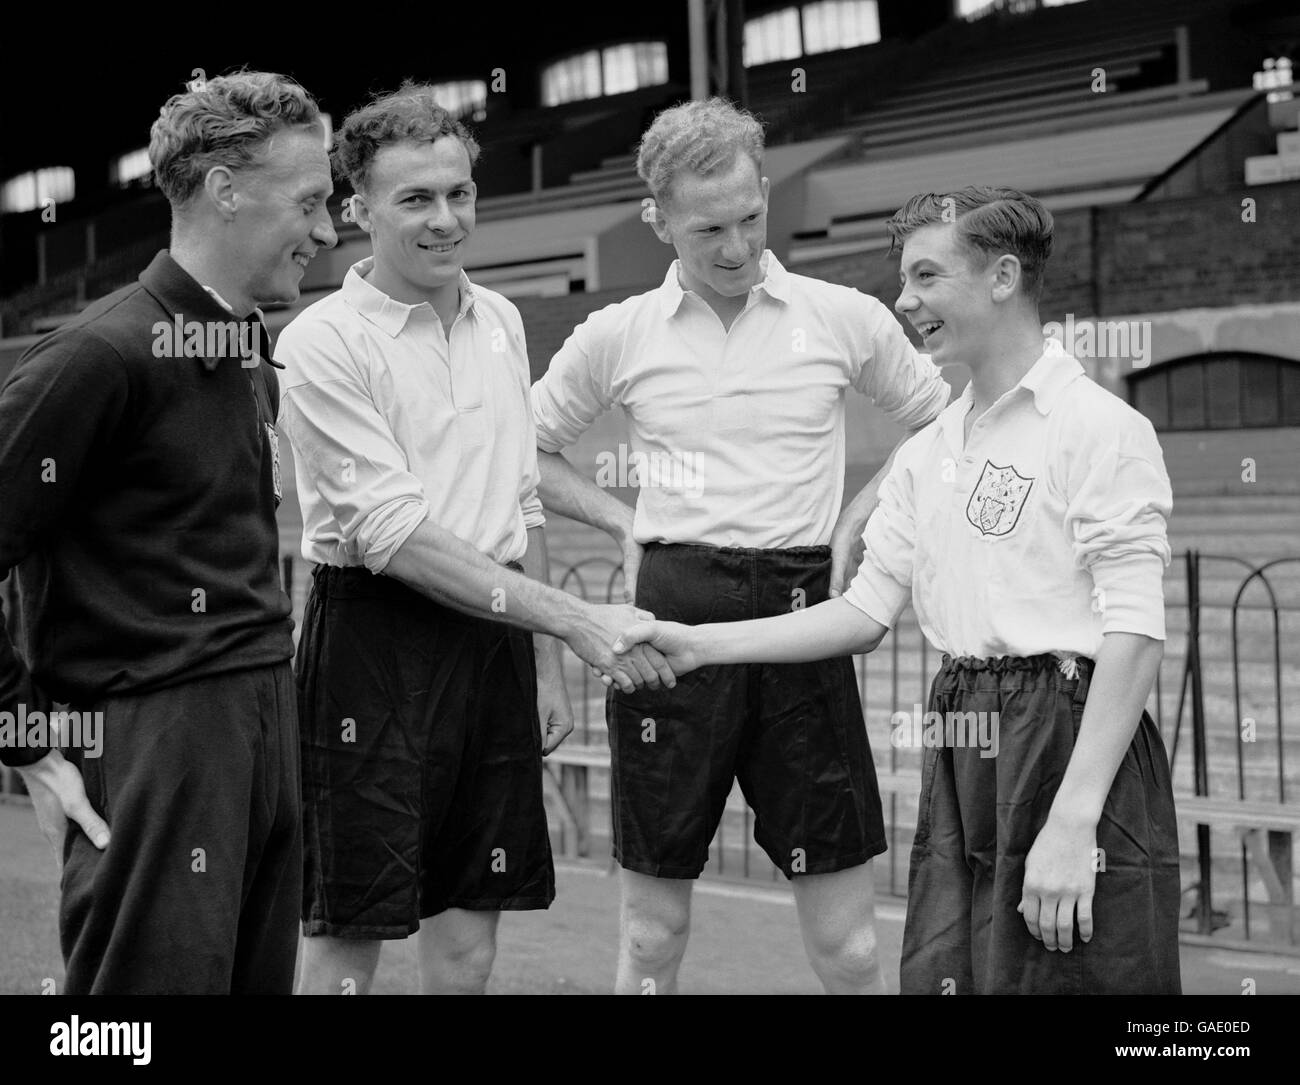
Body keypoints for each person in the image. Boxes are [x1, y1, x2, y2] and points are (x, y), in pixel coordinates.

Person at [614, 186, 1182, 995]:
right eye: (902, 279)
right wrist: (699, 642)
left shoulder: (1099, 428)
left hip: (1067, 737)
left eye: (925, 276)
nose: (904, 300)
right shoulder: (929, 450)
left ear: (1002, 276)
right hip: (966, 735)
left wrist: (1073, 817)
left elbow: (1134, 631)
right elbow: (859, 613)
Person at [531, 98, 950, 994]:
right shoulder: (618, 333)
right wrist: (618, 520)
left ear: (766, 192)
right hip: (669, 612)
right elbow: (523, 451)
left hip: (806, 613)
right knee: (651, 934)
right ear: (658, 220)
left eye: (751, 218)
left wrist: (860, 517)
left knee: (850, 945)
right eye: (707, 228)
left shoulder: (843, 317)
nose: (734, 246)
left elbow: (943, 421)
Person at [275, 85, 673, 996]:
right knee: (348, 935)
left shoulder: (498, 319)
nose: (446, 218)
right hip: (374, 643)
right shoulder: (318, 344)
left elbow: (520, 498)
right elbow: (398, 538)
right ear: (357, 209)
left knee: (470, 940)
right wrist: (573, 617)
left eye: (460, 193)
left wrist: (539, 665)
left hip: (495, 640)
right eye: (416, 199)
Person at [0, 70, 338, 993]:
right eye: (309, 202)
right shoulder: (96, 356)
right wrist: (26, 741)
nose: (328, 229)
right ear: (225, 190)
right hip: (156, 739)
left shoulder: (247, 354)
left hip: (262, 720)